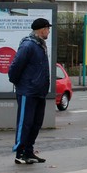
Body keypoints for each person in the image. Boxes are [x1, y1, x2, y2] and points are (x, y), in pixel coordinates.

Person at [8, 17, 52, 164]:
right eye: (47, 28)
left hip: (39, 91)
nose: (49, 31)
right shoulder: (28, 45)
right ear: (42, 29)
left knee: (36, 123)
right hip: (28, 90)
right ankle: (20, 153)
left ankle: (29, 151)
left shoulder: (40, 45)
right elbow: (15, 66)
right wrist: (20, 83)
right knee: (25, 122)